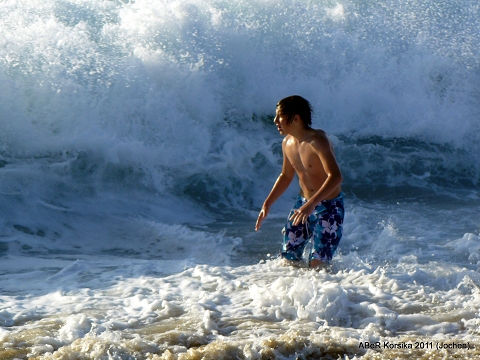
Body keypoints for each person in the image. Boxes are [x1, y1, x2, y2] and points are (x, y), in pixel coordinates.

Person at [255, 95, 344, 268]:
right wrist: (267, 204)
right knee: (289, 258)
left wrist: (312, 203)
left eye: (279, 116)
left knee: (318, 264)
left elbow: (336, 176)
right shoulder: (287, 143)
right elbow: (286, 176)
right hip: (302, 205)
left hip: (329, 207)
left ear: (296, 118)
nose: (275, 121)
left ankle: (329, 293)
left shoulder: (318, 141)